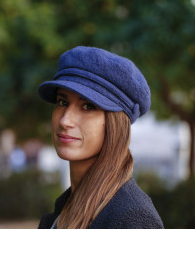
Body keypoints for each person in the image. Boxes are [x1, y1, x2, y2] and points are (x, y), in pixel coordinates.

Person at [37, 46, 164, 229]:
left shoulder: (132, 219)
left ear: (115, 125)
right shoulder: (66, 206)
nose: (65, 120)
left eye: (88, 107)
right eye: (62, 102)